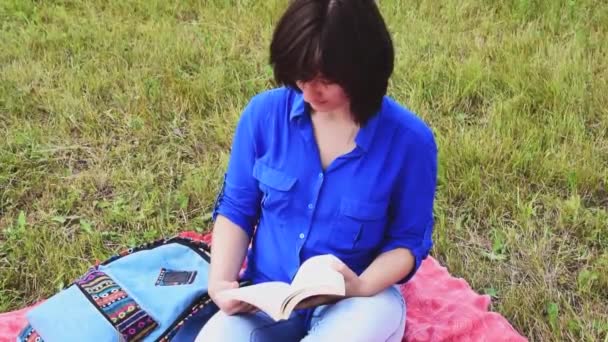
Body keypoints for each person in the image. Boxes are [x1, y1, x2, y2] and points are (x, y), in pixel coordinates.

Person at [195, 0, 438, 340]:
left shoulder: (410, 142)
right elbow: (237, 208)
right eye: (299, 75)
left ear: (362, 67)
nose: (309, 91)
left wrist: (361, 285)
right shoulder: (263, 116)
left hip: (356, 301)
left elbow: (408, 241)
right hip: (268, 295)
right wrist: (221, 284)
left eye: (324, 79)